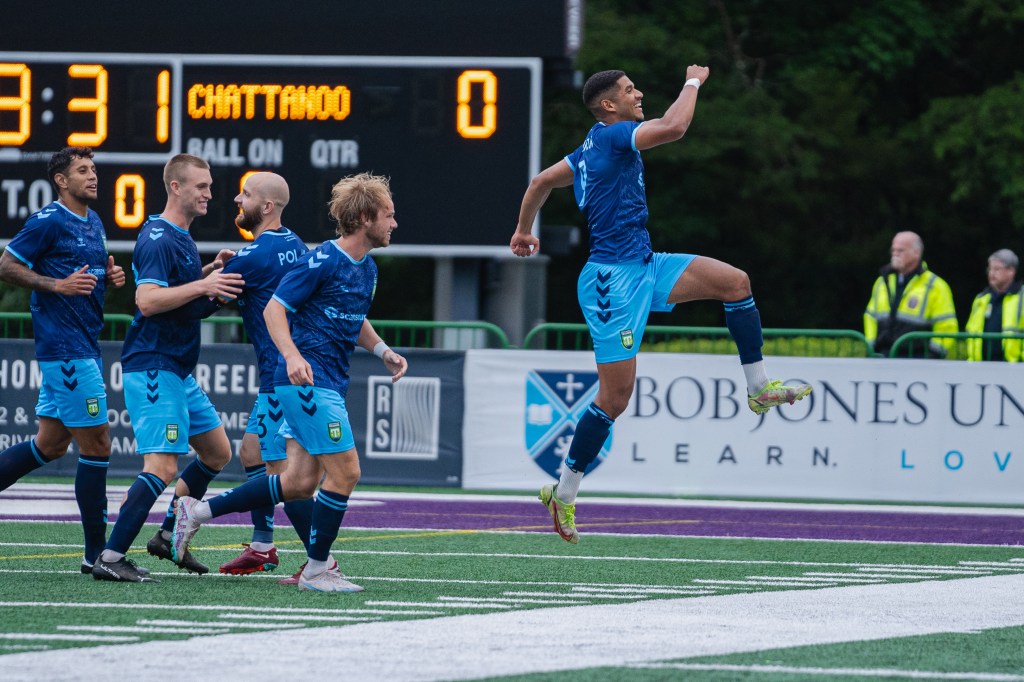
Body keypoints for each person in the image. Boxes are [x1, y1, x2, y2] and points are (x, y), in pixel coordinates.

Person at [508, 67, 811, 545]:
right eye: (630, 90)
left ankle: (758, 388)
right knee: (615, 398)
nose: (638, 93)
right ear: (609, 105)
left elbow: (540, 182)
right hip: (611, 280)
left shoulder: (589, 147)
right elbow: (674, 127)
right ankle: (564, 491)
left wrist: (525, 229)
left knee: (736, 283)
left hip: (645, 265)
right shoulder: (612, 138)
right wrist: (692, 82)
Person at [171, 172, 408, 593]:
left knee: (298, 483)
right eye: (389, 215)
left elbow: (352, 319)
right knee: (346, 473)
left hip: (327, 381)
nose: (395, 224)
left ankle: (197, 513)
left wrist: (383, 350)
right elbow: (274, 311)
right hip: (305, 382)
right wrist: (293, 356)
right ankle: (318, 569)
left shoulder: (366, 268)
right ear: (368, 216)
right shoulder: (322, 259)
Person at [91, 154, 245, 582]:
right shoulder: (159, 236)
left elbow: (180, 297)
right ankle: (111, 555)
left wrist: (211, 271)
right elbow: (147, 301)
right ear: (175, 187)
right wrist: (204, 283)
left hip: (175, 367)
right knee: (161, 467)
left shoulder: (179, 237)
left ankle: (165, 536)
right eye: (202, 187)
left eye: (210, 187)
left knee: (217, 451)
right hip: (153, 365)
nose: (210, 194)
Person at [0, 146, 126, 573]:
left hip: (80, 346)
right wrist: (55, 285)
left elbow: (85, 275)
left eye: (94, 169)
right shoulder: (48, 219)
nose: (93, 176)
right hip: (66, 350)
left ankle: (97, 554)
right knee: (98, 446)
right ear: (61, 180)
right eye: (83, 170)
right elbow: (6, 264)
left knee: (50, 444)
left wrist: (110, 277)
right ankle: (98, 556)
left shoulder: (94, 221)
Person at [210, 172, 316, 577]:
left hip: (280, 375)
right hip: (286, 368)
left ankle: (319, 559)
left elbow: (205, 301)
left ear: (267, 207)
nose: (238, 199)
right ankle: (262, 546)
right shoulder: (295, 244)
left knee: (283, 474)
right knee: (252, 453)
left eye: (246, 194)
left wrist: (210, 275)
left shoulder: (253, 257)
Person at [864, 231, 958, 358]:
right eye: (893, 250)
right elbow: (870, 317)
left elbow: (946, 326)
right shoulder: (882, 282)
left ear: (916, 253)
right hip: (883, 357)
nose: (895, 254)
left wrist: (932, 356)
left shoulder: (935, 286)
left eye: (901, 250)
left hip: (917, 359)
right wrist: (871, 348)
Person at [965, 248, 1023, 362]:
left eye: (997, 269)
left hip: (1015, 366)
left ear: (1011, 271)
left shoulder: (1021, 297)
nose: (991, 273)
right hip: (980, 365)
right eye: (990, 269)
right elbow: (970, 331)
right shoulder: (981, 298)